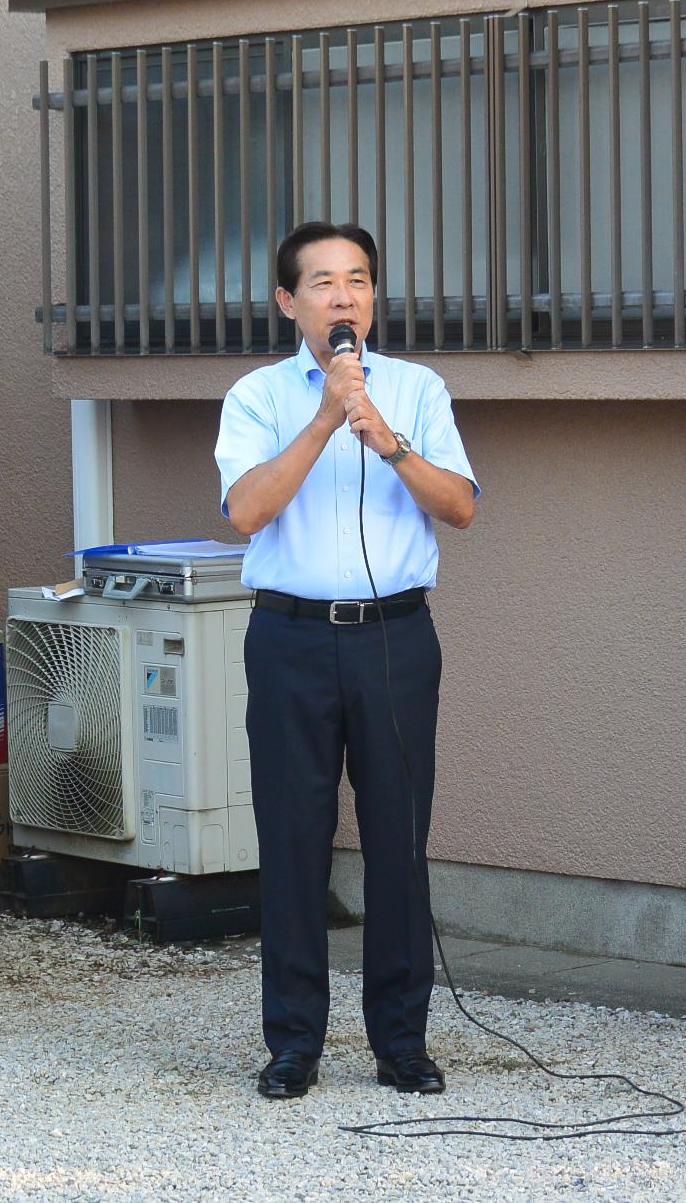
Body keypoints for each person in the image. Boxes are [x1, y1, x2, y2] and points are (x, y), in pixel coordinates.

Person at [215, 222, 479, 1100]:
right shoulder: (255, 395)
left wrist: (388, 440)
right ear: (289, 302)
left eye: (358, 281)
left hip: (396, 637)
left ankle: (401, 1041)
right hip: (289, 636)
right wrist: (327, 416)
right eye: (322, 282)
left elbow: (462, 507)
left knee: (400, 841)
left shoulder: (417, 386)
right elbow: (248, 509)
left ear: (374, 297)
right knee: (293, 841)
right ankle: (294, 1041)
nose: (343, 297)